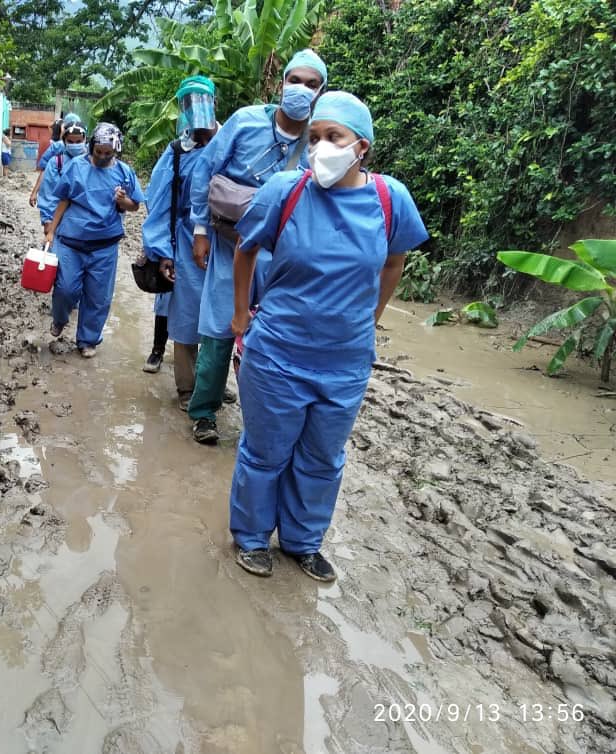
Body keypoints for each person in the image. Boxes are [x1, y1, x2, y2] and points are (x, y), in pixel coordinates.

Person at [228, 91, 429, 581]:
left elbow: (395, 260)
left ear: (361, 146)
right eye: (313, 137)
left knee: (322, 456)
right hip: (277, 351)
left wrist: (371, 317)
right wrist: (239, 318)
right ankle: (253, 538)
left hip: (345, 361)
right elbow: (245, 247)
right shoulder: (285, 190)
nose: (320, 147)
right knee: (266, 451)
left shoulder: (390, 198)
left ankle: (302, 541)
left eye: (332, 137)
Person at [187, 49, 328, 445]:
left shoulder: (320, 138)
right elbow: (206, 169)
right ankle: (203, 413)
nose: (301, 90)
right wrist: (200, 229)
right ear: (281, 82)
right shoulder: (246, 121)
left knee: (271, 337)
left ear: (321, 92)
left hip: (283, 257)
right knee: (218, 330)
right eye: (294, 80)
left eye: (311, 84)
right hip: (230, 244)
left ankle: (263, 418)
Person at [141, 75, 220, 405]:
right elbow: (158, 205)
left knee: (220, 317)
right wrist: (162, 252)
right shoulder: (176, 153)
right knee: (187, 314)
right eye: (190, 102)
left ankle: (212, 381)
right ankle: (187, 387)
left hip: (226, 242)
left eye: (203, 100)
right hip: (186, 242)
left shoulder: (232, 141)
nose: (197, 108)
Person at [45, 122, 144, 357]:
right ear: (91, 147)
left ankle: (88, 340)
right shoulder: (76, 167)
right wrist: (51, 229)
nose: (101, 157)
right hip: (71, 241)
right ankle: (60, 318)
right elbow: (63, 200)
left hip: (105, 246)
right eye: (98, 152)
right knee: (65, 288)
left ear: (115, 150)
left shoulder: (124, 172)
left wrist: (123, 201)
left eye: (107, 153)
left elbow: (135, 205)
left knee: (98, 296)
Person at [37, 122, 88, 234]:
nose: (74, 145)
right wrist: (47, 220)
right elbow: (48, 193)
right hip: (60, 223)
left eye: (78, 142)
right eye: (70, 141)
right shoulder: (56, 163)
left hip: (86, 226)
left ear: (85, 140)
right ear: (64, 141)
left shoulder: (94, 164)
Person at [29, 113, 83, 207]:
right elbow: (44, 170)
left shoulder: (89, 153)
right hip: (55, 200)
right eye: (70, 141)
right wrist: (35, 192)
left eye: (78, 141)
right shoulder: (57, 148)